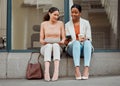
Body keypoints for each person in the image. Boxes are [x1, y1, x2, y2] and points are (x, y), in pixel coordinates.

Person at [65, 4, 93, 80]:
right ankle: (77, 70)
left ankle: (86, 69)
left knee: (87, 42)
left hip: (84, 48)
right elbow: (67, 41)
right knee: (76, 43)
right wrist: (73, 40)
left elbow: (89, 38)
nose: (73, 14)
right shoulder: (67, 25)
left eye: (76, 12)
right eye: (72, 12)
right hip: (72, 48)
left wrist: (84, 39)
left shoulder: (86, 23)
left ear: (80, 13)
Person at [40, 7, 65, 81]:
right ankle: (46, 72)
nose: (56, 17)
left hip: (57, 48)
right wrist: (45, 42)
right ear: (49, 14)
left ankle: (56, 72)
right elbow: (41, 40)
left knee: (55, 45)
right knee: (48, 45)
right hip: (45, 48)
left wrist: (62, 41)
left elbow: (63, 38)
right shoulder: (43, 24)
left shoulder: (60, 24)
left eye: (58, 15)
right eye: (55, 15)